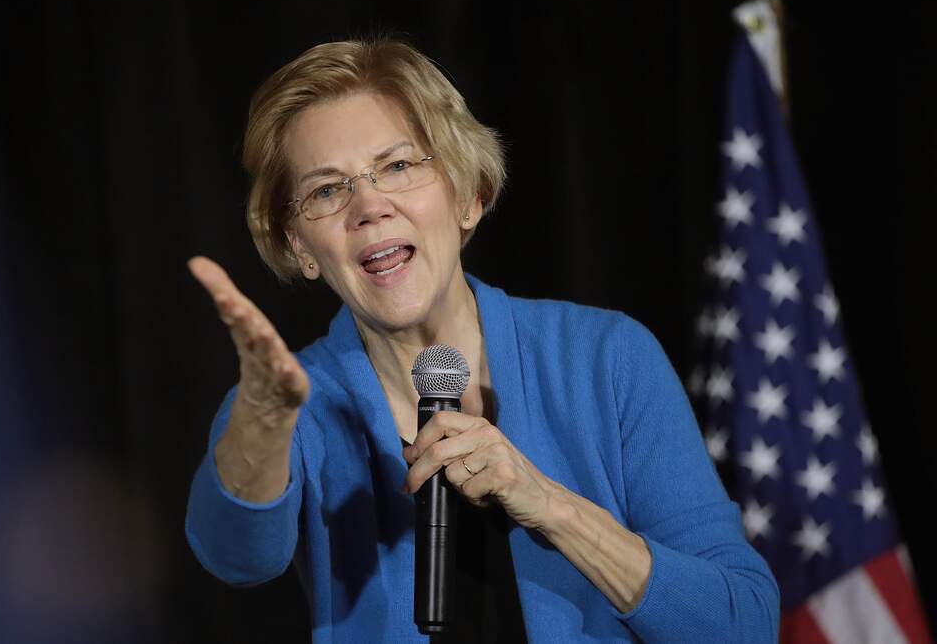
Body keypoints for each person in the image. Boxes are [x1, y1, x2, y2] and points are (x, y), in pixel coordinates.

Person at [185, 38, 779, 643]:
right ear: (299, 247)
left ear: (468, 195)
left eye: (397, 166)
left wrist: (551, 506)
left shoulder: (607, 358)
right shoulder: (283, 406)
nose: (369, 206)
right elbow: (237, 557)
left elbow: (743, 625)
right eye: (326, 190)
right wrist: (263, 419)